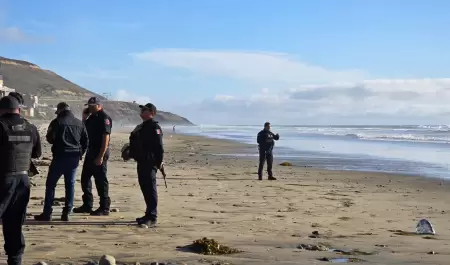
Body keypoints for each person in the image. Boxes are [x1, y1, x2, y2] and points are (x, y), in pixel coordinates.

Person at [0, 96, 41, 265]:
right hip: (23, 179)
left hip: (3, 178)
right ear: (18, 109)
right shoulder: (30, 127)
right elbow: (37, 153)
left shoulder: (0, 126)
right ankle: (15, 259)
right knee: (15, 222)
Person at [34, 102, 89, 221]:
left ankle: (47, 212)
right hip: (74, 157)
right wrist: (80, 154)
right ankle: (67, 212)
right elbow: (85, 141)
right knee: (70, 185)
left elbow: (50, 138)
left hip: (59, 156)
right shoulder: (79, 123)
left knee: (51, 185)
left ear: (59, 111)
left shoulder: (56, 122)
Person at [73, 97, 112, 216]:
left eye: (92, 106)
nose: (90, 107)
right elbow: (83, 130)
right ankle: (87, 204)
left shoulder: (104, 118)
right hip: (90, 151)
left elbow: (106, 138)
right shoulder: (91, 118)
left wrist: (101, 156)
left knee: (100, 180)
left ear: (99, 105)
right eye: (89, 105)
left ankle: (104, 207)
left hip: (100, 152)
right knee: (85, 178)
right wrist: (84, 118)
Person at [127, 103, 164, 227]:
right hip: (141, 161)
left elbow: (159, 147)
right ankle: (148, 213)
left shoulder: (155, 127)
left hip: (150, 162)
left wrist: (159, 163)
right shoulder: (141, 127)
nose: (141, 112)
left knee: (150, 188)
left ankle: (152, 216)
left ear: (152, 113)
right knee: (144, 187)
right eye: (141, 110)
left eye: (144, 110)